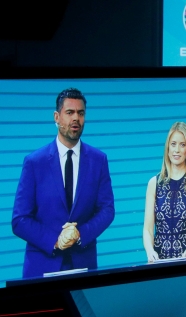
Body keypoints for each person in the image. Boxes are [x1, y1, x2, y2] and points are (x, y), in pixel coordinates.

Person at [12, 88, 116, 278]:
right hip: (42, 266)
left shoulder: (98, 160)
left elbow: (107, 210)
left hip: (83, 265)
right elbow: (20, 220)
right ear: (57, 117)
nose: (75, 118)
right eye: (69, 112)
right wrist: (55, 240)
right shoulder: (34, 162)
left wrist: (79, 234)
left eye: (80, 113)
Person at [142, 122, 186, 262]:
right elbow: (147, 229)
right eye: (173, 144)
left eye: (182, 145)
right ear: (167, 147)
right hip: (159, 261)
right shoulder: (154, 183)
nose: (177, 150)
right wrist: (150, 251)